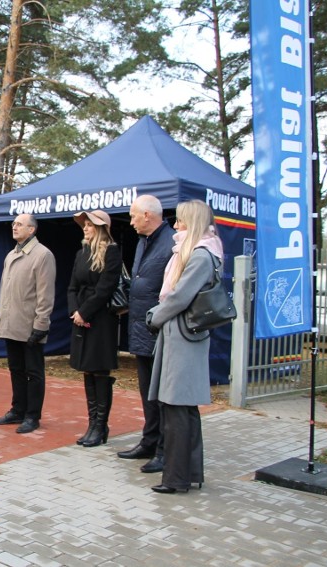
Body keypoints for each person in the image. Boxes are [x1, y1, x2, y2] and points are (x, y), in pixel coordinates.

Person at [146, 199, 222, 494]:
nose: (175, 226)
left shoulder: (200, 256)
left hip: (183, 337)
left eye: (180, 221)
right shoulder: (201, 253)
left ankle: (176, 478)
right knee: (182, 408)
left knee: (177, 407)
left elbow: (179, 297)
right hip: (183, 335)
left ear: (192, 223)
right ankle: (186, 474)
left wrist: (155, 316)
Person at [117, 195, 177, 473]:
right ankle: (149, 441)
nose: (130, 222)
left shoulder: (171, 244)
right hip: (141, 329)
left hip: (160, 332)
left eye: (132, 216)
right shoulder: (144, 242)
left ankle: (165, 450)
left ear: (148, 216)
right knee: (147, 392)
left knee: (162, 395)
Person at [0, 213, 56, 434]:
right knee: (16, 369)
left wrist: (41, 324)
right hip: (11, 323)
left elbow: (45, 294)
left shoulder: (42, 255)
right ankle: (18, 409)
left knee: (34, 372)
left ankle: (32, 415)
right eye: (13, 223)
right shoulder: (10, 255)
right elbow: (5, 292)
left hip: (30, 326)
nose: (14, 226)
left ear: (32, 229)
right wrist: (2, 319)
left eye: (19, 224)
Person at [67, 210, 122, 447]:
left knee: (100, 370)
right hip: (81, 318)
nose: (85, 228)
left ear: (100, 228)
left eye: (90, 225)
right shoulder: (81, 253)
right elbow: (71, 286)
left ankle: (100, 426)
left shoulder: (112, 251)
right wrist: (75, 312)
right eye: (84, 225)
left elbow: (105, 289)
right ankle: (92, 424)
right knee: (86, 370)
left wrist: (84, 312)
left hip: (101, 320)